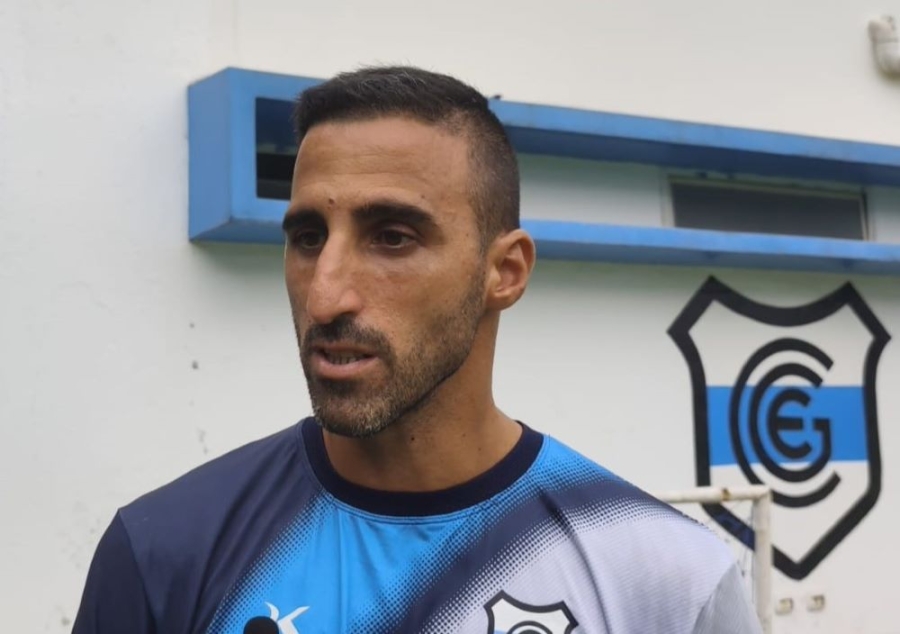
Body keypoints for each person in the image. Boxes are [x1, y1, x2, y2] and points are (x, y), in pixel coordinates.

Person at [73, 66, 762, 634]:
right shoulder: (164, 552)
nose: (325, 296)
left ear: (505, 272)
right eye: (308, 237)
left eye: (392, 237)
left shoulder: (668, 582)